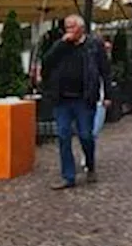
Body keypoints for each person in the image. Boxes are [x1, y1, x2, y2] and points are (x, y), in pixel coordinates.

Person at [41, 14, 112, 189]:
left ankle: (90, 163)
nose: (69, 31)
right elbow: (46, 62)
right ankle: (68, 176)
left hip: (84, 98)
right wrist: (61, 44)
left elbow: (105, 71)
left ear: (81, 28)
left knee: (86, 135)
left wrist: (108, 95)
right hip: (62, 99)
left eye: (72, 27)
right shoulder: (61, 46)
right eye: (67, 27)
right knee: (63, 136)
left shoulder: (94, 45)